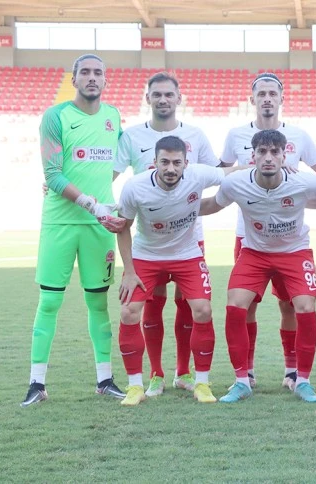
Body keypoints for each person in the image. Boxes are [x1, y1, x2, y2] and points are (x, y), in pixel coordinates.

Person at [219, 72, 316, 391]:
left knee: (289, 305)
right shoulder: (236, 135)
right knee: (246, 305)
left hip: (289, 237)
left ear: (281, 98)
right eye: (261, 93)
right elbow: (220, 173)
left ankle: (292, 371)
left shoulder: (298, 136)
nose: (267, 98)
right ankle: (246, 372)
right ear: (252, 99)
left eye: (272, 93)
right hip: (249, 235)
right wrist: (249, 168)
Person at [21, 54, 126, 407]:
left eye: (98, 72)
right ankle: (36, 384)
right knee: (50, 300)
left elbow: (118, 162)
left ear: (105, 80)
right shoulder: (56, 116)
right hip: (61, 222)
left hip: (99, 227)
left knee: (98, 302)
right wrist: (89, 202)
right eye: (85, 72)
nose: (92, 78)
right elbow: (52, 174)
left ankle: (105, 380)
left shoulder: (114, 117)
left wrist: (104, 198)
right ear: (74, 79)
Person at [203, 129, 316, 404]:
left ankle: (302, 381)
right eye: (262, 152)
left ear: (285, 156)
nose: (269, 157)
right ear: (253, 156)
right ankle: (241, 381)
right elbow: (213, 205)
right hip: (255, 254)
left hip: (295, 252)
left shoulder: (305, 181)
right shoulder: (236, 183)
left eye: (275, 152)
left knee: (304, 307)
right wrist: (172, 207)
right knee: (235, 305)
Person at [114, 72, 220, 398]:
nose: (163, 99)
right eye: (157, 94)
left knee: (191, 305)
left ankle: (185, 372)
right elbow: (108, 176)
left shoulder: (196, 135)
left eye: (168, 94)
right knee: (150, 304)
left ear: (178, 98)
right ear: (148, 98)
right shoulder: (131, 137)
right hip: (148, 236)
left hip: (188, 236)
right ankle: (155, 375)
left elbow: (222, 173)